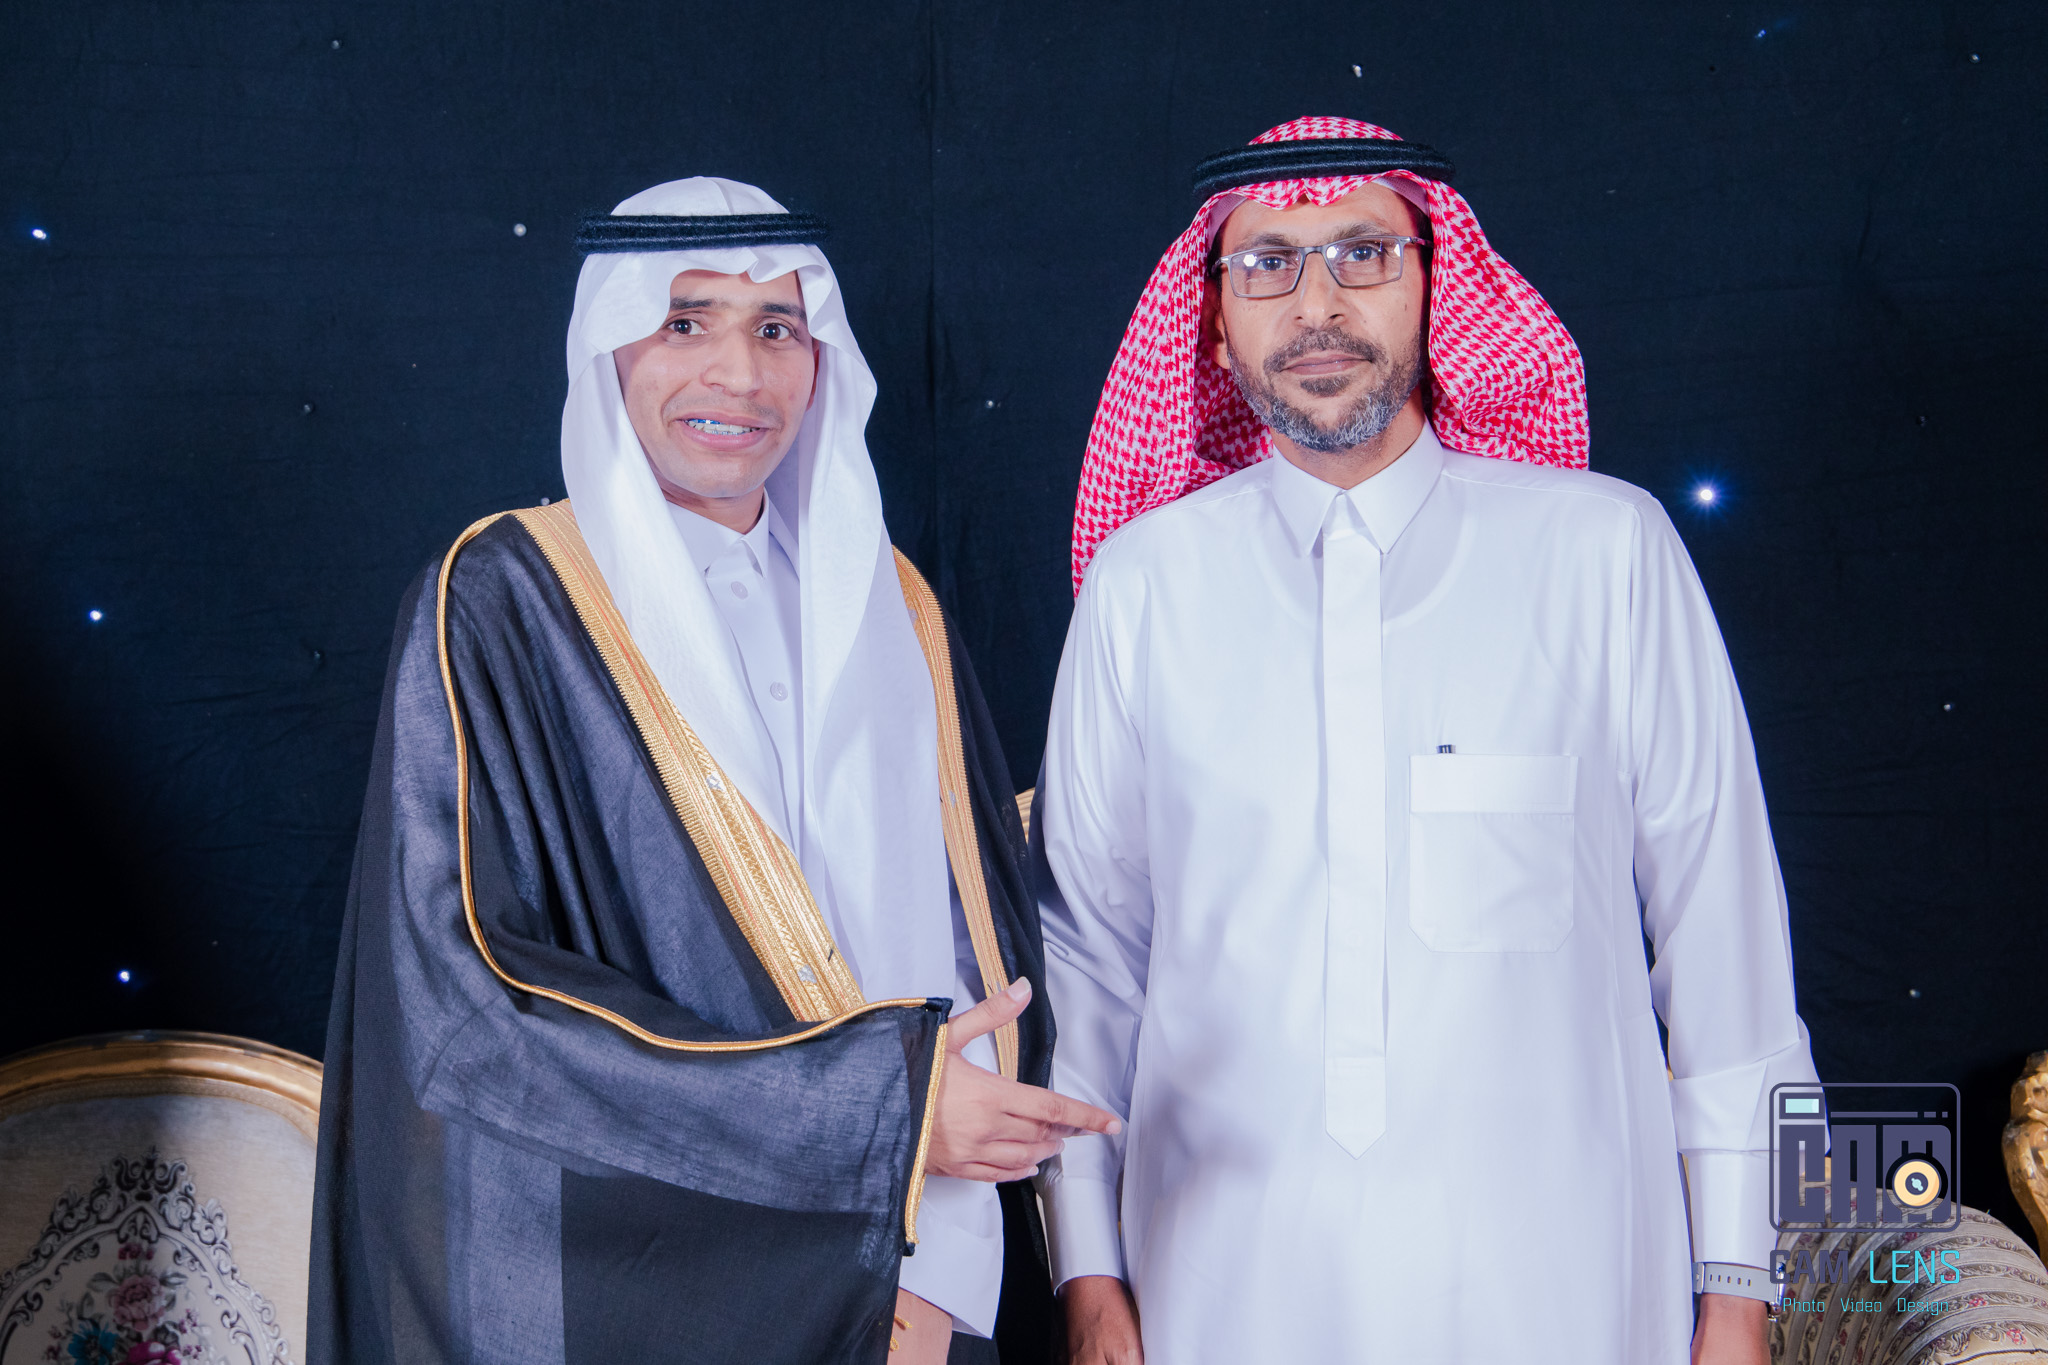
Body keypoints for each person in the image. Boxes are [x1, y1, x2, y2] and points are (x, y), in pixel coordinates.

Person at [1035, 117, 1818, 1365]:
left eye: (1362, 253)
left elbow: (1728, 951)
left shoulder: (1604, 554)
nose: (1316, 305)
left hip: (1564, 1283)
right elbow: (1088, 963)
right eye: (1266, 264)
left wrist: (1737, 1292)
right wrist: (1086, 1271)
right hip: (1221, 1288)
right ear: (1212, 319)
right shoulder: (1142, 587)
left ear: (1432, 283)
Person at [309, 177, 1117, 1365]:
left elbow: (967, 937)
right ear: (610, 347)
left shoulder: (894, 601)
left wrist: (951, 1245)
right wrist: (880, 1114)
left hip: (935, 1271)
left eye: (776, 328)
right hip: (659, 1288)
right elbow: (470, 1008)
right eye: (684, 321)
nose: (738, 374)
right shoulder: (504, 597)